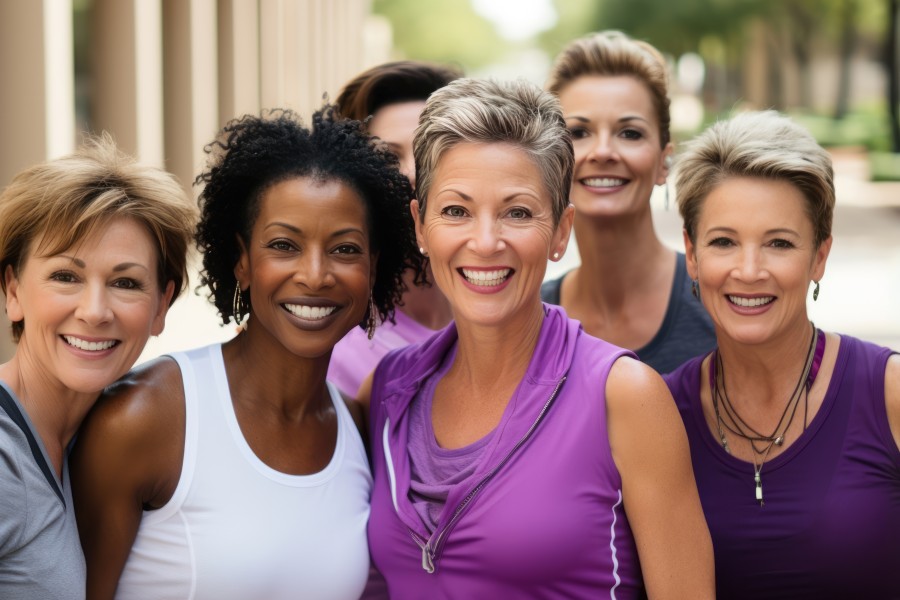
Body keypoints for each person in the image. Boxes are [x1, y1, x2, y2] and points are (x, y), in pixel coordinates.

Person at [361, 78, 714, 598]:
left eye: (518, 212)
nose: (485, 242)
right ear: (420, 224)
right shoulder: (388, 390)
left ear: (560, 231)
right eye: (456, 211)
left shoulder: (624, 395)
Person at [70, 108, 421, 599]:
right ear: (241, 260)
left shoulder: (356, 427)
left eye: (344, 249)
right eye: (284, 245)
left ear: (373, 266)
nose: (316, 275)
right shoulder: (146, 416)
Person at [666, 110, 900, 598]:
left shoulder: (890, 392)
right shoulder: (661, 413)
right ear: (691, 253)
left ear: (819, 256)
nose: (749, 271)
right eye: (724, 242)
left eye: (779, 243)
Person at [0, 136, 196, 599]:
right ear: (12, 291)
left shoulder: (93, 440)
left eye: (125, 282)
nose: (94, 311)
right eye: (65, 276)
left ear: (161, 306)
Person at [542, 30, 715, 373]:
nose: (603, 151)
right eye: (578, 132)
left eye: (630, 133)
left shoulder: (719, 304)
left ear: (664, 160)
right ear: (549, 159)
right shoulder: (529, 320)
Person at [328, 60, 461, 397]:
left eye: (429, 151)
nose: (413, 174)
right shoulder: (330, 344)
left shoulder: (507, 312)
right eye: (387, 157)